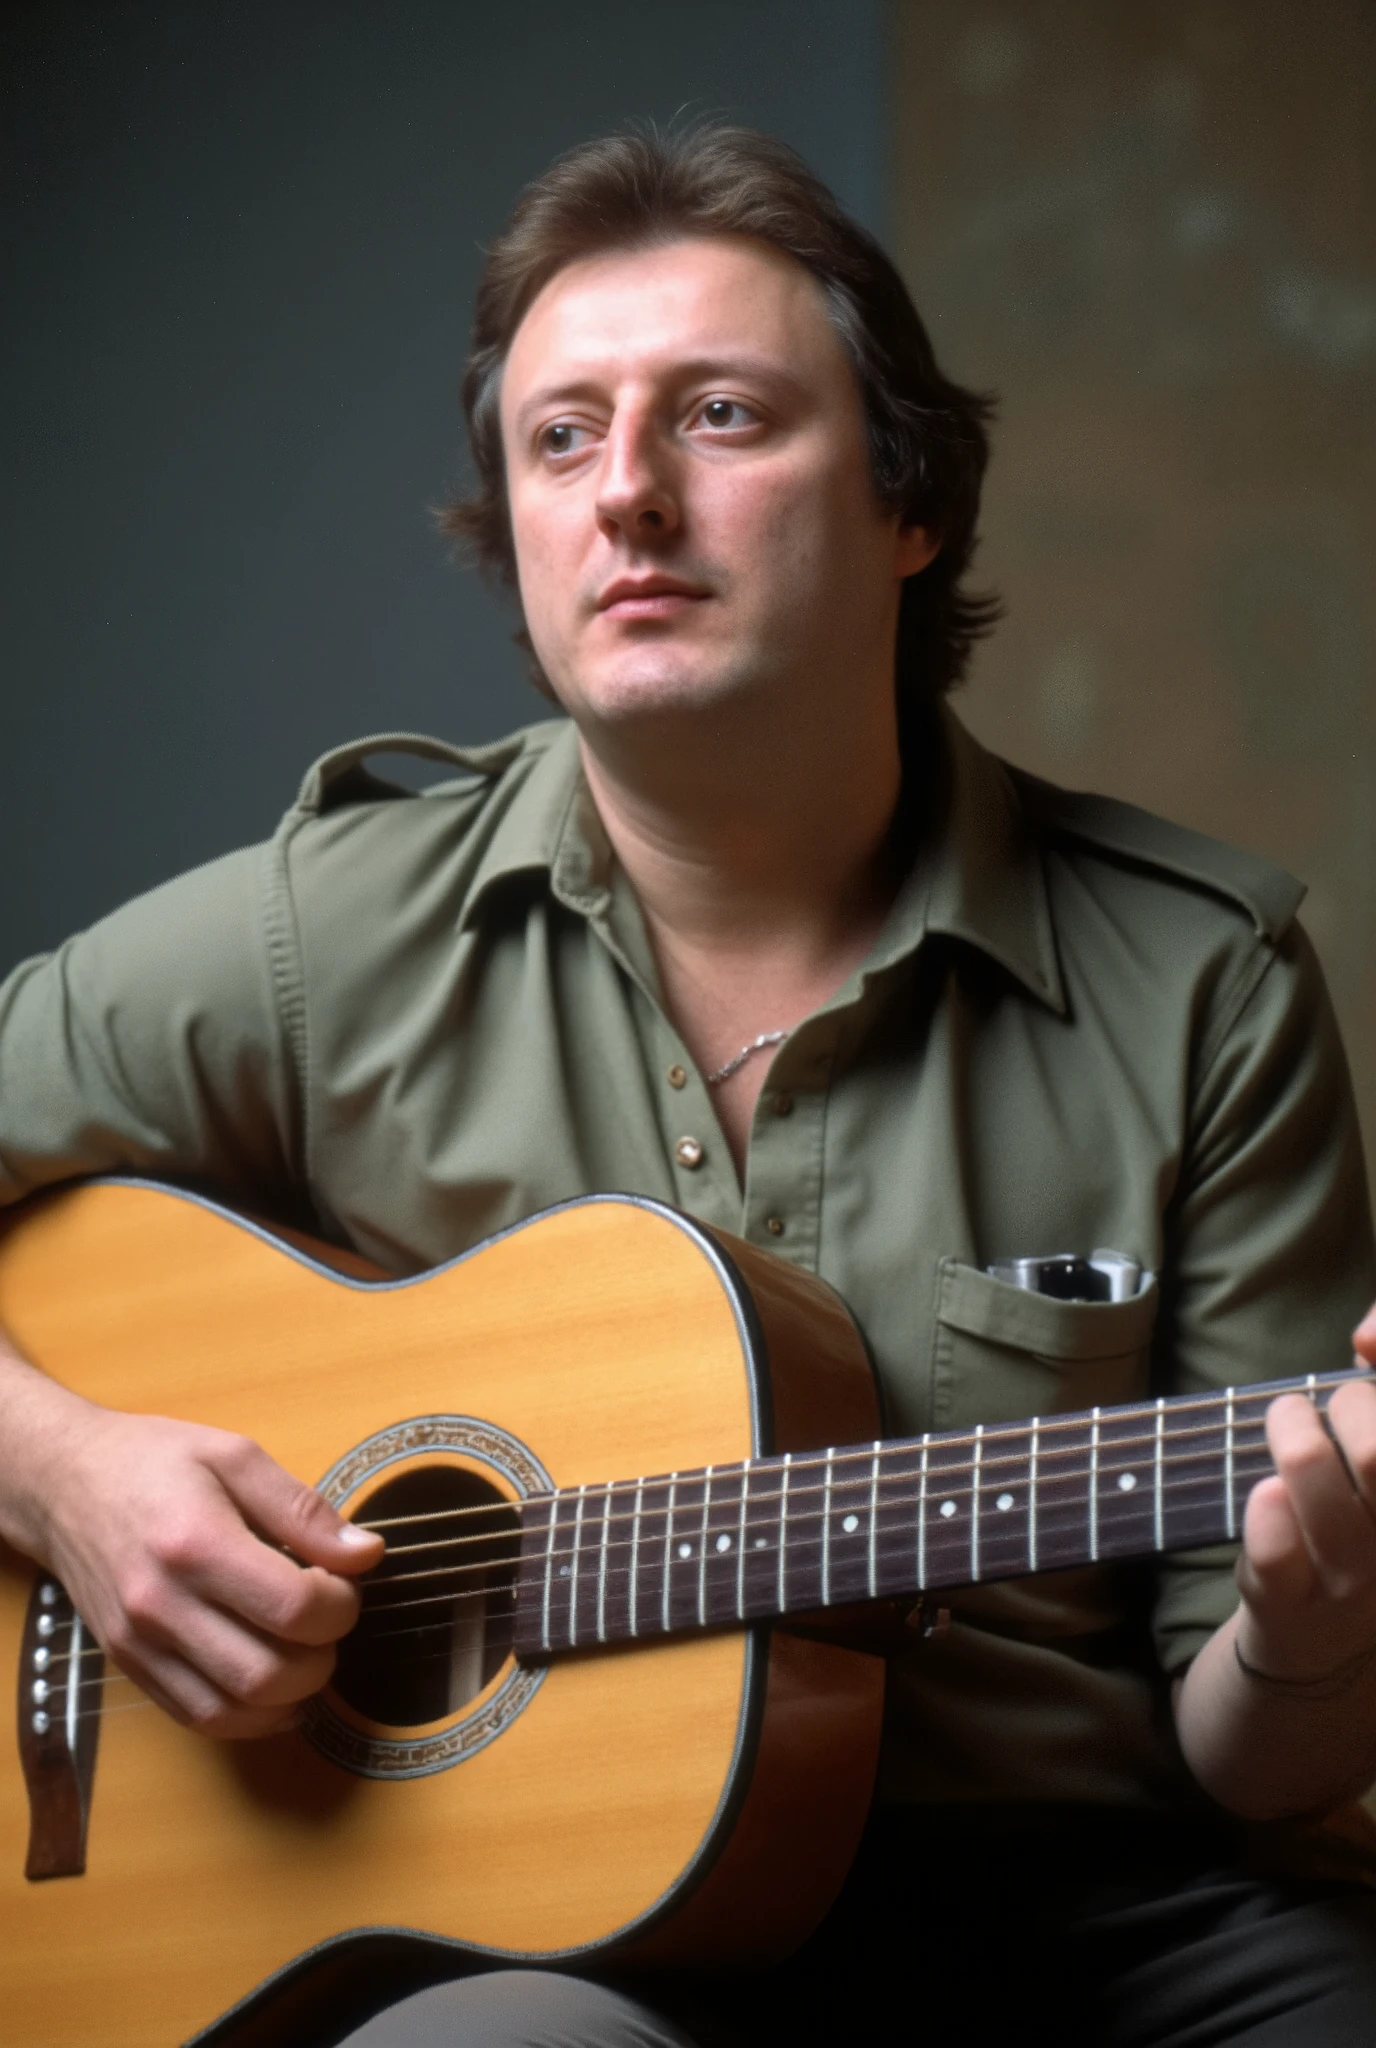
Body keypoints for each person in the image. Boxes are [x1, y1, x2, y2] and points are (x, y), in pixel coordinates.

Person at [3, 124, 1376, 2047]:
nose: (627, 495)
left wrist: (1317, 1640)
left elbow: (1253, 1759)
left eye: (720, 417)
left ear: (910, 504)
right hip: (520, 1947)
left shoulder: (1197, 981)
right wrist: (64, 1470)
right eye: (563, 439)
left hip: (1076, 1916)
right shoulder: (335, 927)